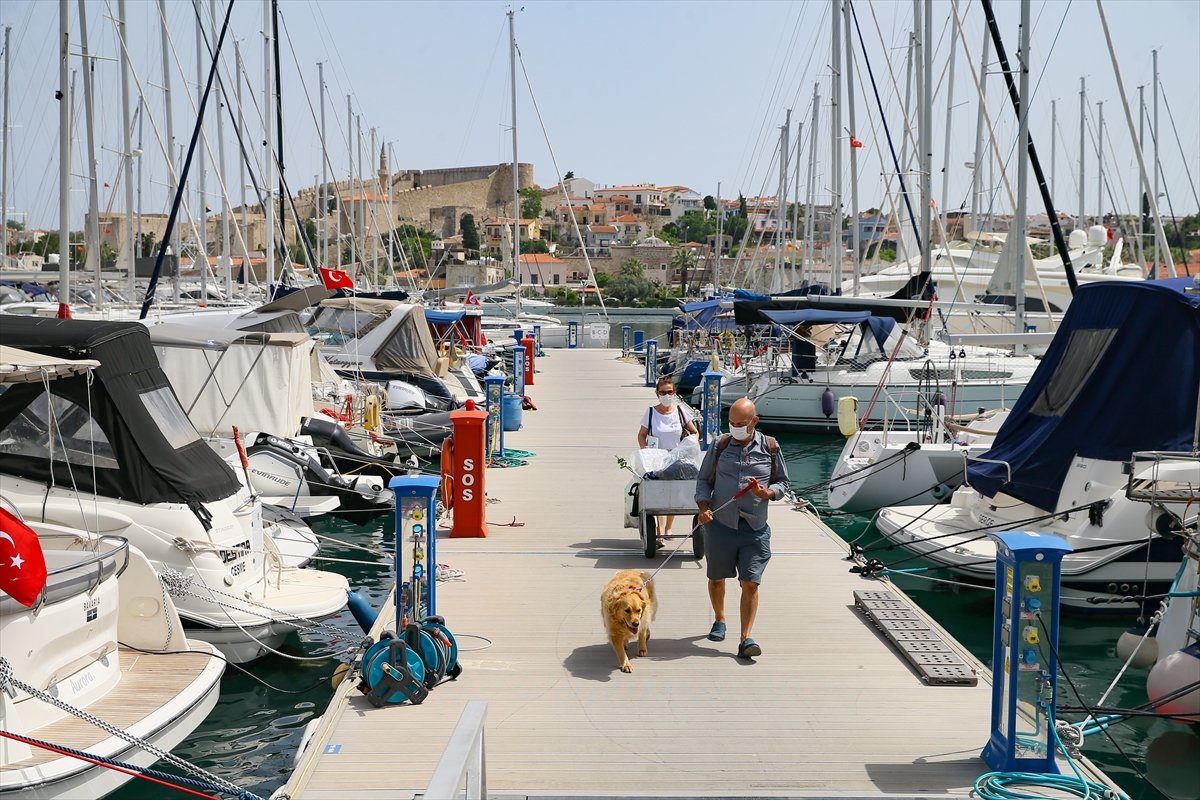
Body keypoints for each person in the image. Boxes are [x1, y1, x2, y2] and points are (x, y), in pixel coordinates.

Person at [694, 396, 789, 660]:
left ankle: (745, 638)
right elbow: (703, 481)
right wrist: (703, 507)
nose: (734, 427)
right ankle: (720, 618)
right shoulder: (721, 444)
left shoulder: (770, 447)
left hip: (754, 528)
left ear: (754, 422)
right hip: (720, 525)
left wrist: (768, 493)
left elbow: (783, 482)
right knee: (716, 577)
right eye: (731, 422)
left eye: (740, 423)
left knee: (750, 583)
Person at [637, 376, 698, 544]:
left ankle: (669, 527)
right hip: (657, 457)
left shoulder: (680, 411)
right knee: (659, 492)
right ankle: (659, 530)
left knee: (675, 491)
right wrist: (645, 450)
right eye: (663, 392)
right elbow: (641, 435)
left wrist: (689, 445)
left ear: (674, 392)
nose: (666, 395)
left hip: (677, 458)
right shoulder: (650, 412)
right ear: (657, 393)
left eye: (669, 392)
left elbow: (694, 432)